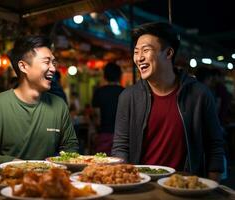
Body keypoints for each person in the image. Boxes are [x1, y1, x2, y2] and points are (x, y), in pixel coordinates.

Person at [112, 22, 225, 181]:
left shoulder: (199, 94)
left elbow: (215, 146)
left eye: (146, 50)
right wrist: (124, 182)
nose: (139, 57)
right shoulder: (128, 97)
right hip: (142, 185)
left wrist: (213, 186)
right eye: (136, 51)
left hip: (184, 186)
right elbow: (120, 147)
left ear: (169, 53)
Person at [0, 35, 79, 169]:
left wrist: (57, 165)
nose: (53, 68)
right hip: (7, 184)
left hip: (48, 183)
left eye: (53, 63)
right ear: (23, 66)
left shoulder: (59, 105)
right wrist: (16, 165)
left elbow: (71, 148)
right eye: (46, 62)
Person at [91, 62, 124, 155]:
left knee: (103, 166)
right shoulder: (125, 92)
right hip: (122, 137)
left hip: (103, 135)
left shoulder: (99, 92)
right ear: (119, 76)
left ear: (104, 76)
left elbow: (97, 119)